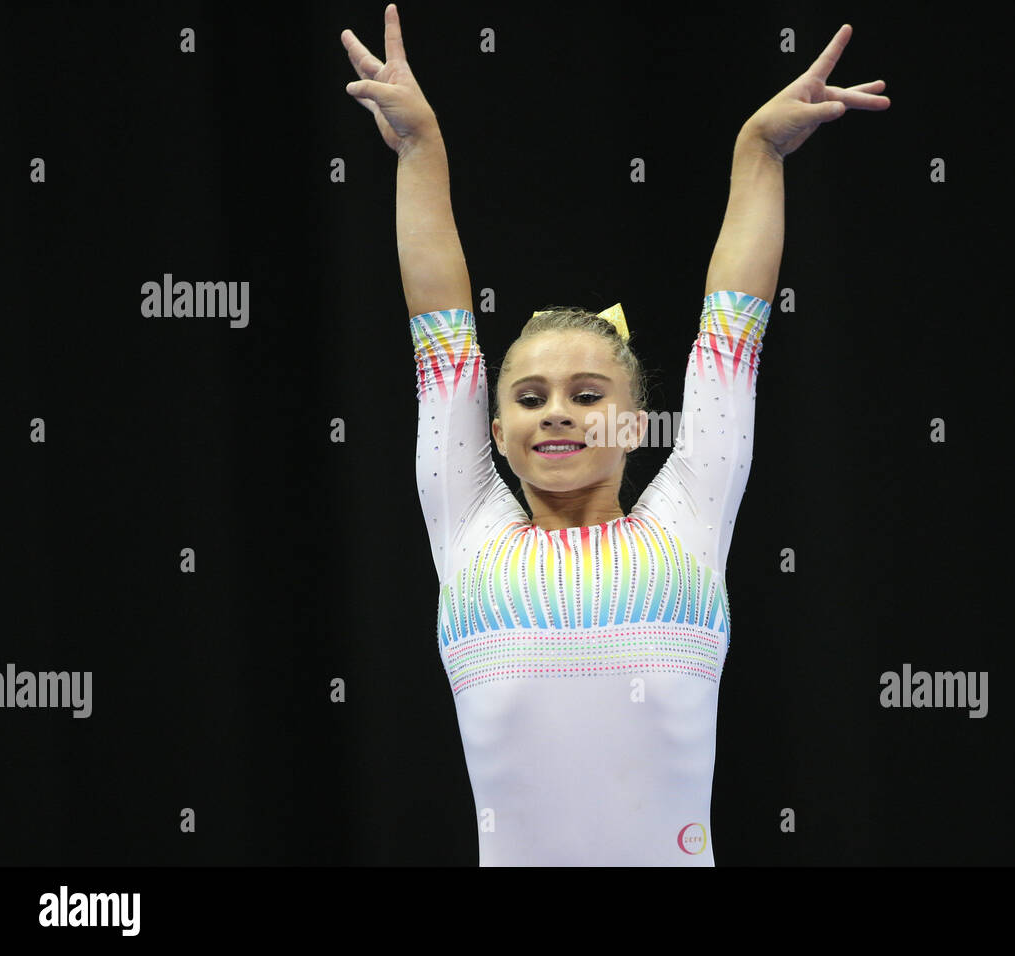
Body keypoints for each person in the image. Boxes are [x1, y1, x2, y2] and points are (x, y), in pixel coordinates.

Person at [341, 4, 889, 865]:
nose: (555, 410)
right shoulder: (468, 523)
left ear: (636, 424)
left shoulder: (688, 522)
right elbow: (439, 321)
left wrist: (758, 151)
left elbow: (730, 336)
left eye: (586, 394)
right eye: (529, 396)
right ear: (492, 428)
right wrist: (420, 149)